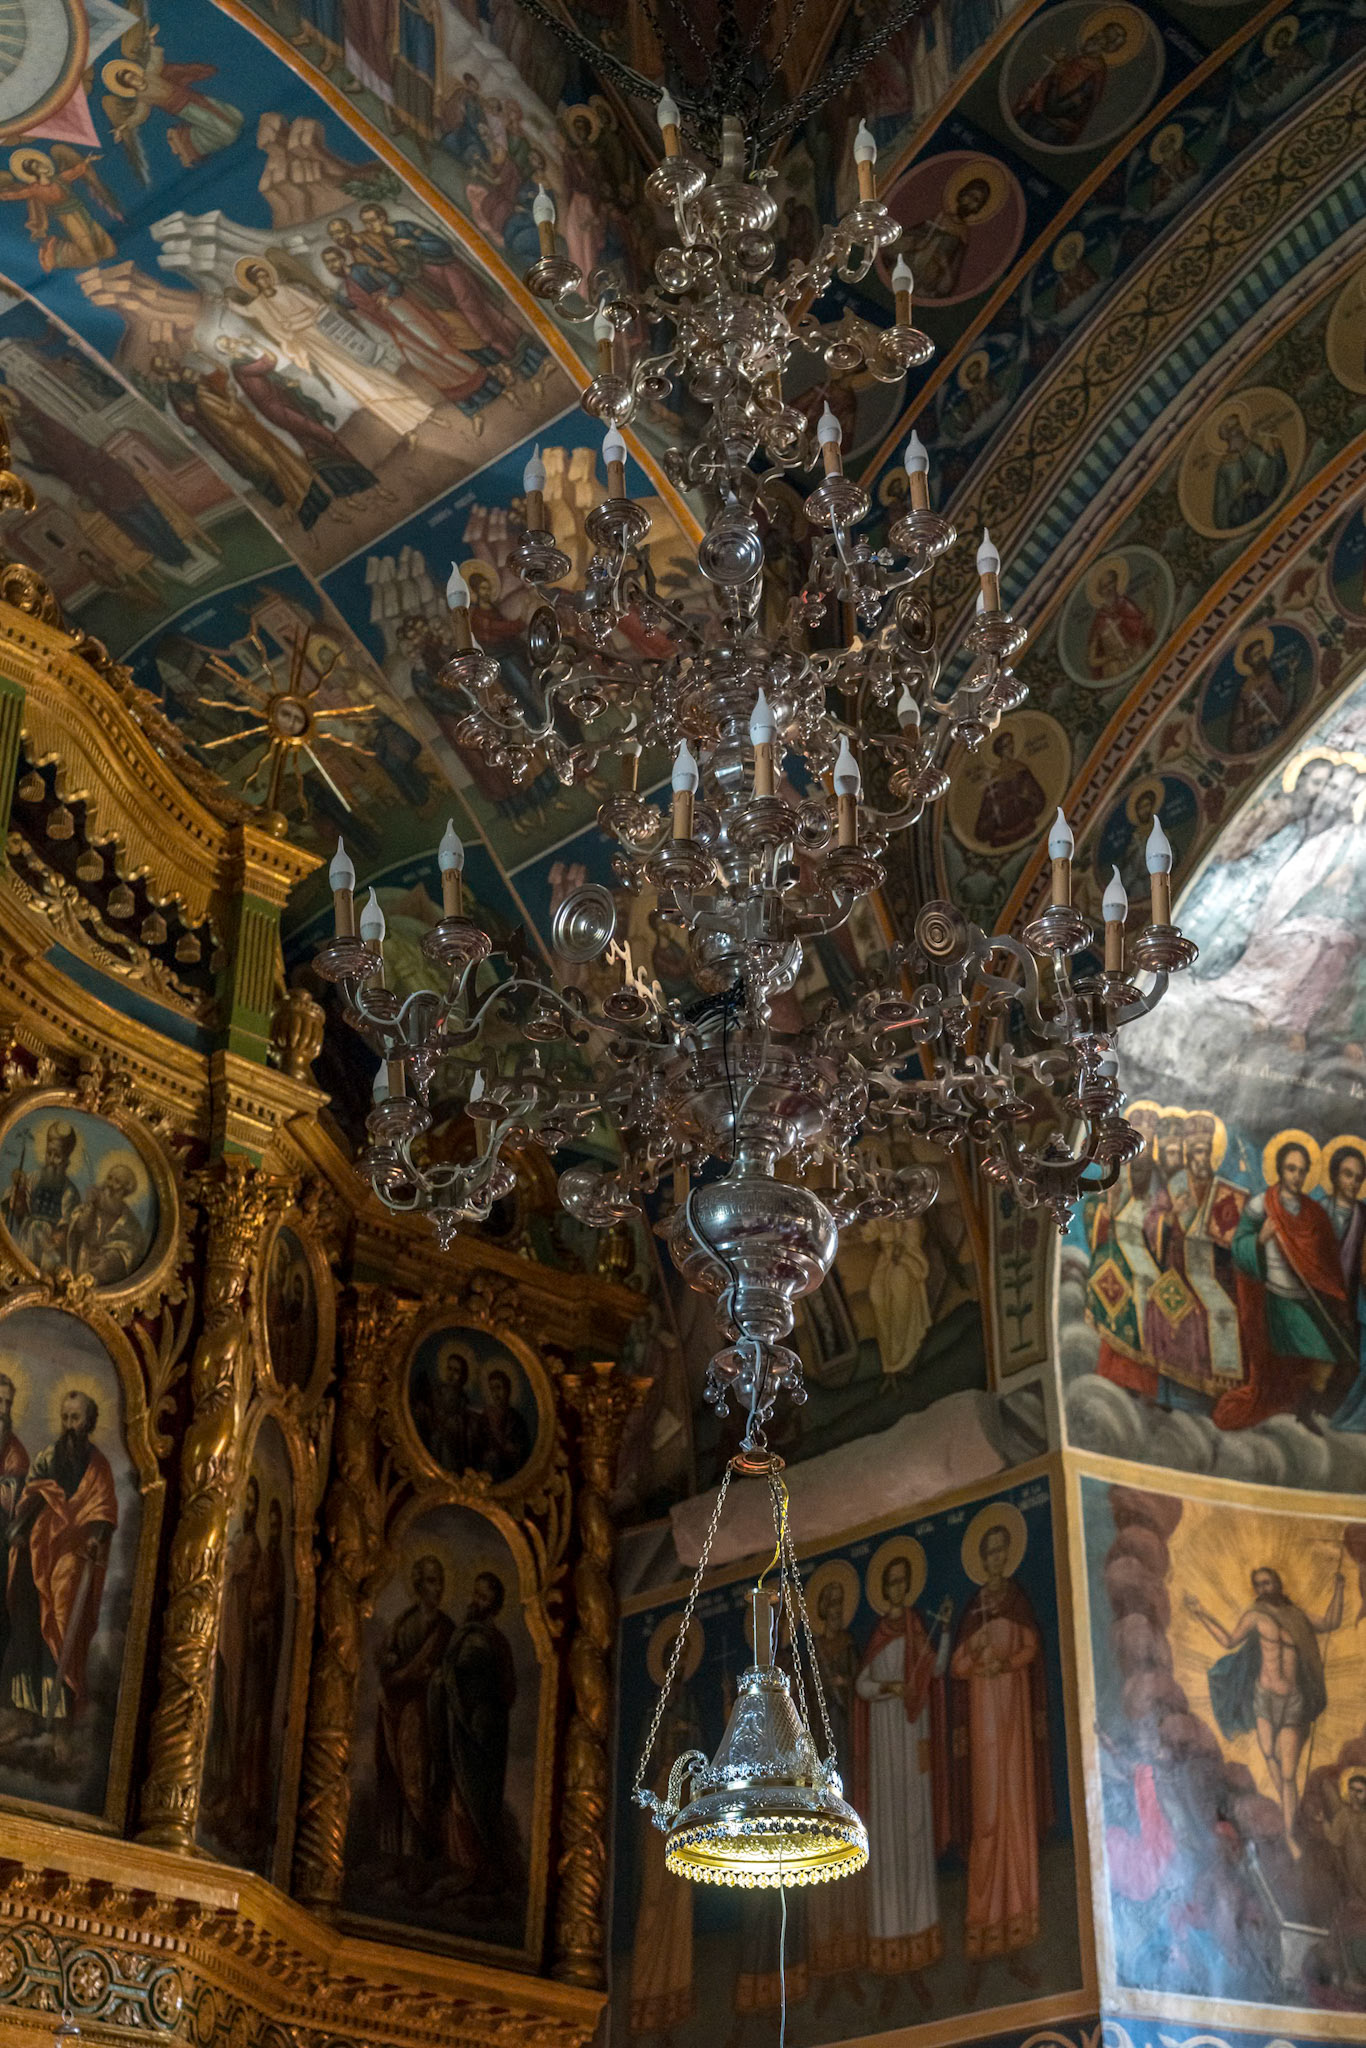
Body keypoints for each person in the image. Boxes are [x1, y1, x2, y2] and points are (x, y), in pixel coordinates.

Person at [949, 1526, 1052, 1999]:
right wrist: (980, 1665)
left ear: (1006, 1553)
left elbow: (1031, 1649)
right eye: (986, 1551)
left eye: (999, 1550)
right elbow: (956, 1667)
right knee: (988, 1821)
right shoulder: (974, 1607)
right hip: (984, 1721)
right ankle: (983, 1928)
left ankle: (1018, 1934)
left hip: (1012, 1717)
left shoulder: (1017, 1600)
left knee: (1016, 1815)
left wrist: (1005, 1666)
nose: (993, 1557)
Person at [854, 1553, 950, 2011]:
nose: (895, 1589)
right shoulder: (881, 1633)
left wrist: (945, 1631)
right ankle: (891, 1956)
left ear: (907, 1585)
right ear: (883, 1588)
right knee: (887, 1842)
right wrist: (892, 1690)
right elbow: (863, 1685)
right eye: (889, 1582)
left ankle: (919, 1950)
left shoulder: (917, 1627)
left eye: (901, 1581)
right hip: (884, 1743)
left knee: (914, 1834)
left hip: (913, 1738)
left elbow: (936, 1669)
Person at [1184, 1563, 1344, 1837]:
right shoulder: (1255, 1617)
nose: (1263, 1589)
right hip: (1263, 1698)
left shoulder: (1297, 1616)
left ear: (1278, 1584)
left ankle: (1292, 1832)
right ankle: (1289, 1815)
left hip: (1293, 1700)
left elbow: (1331, 1622)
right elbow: (1229, 1641)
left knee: (1289, 1773)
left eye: (1267, 1583)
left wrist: (1339, 1588)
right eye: (1258, 1584)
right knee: (1270, 1754)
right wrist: (1201, 1614)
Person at [1219, 1141, 1355, 1429]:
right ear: (1279, 1168)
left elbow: (1324, 1259)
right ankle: (1288, 1411)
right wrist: (1260, 1239)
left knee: (1326, 1357)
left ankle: (1303, 1412)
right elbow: (1239, 1246)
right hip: (1273, 1299)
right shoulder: (1261, 1205)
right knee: (1279, 1363)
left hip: (1303, 1298)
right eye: (1291, 1169)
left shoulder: (1313, 1213)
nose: (1296, 1175)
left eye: (1302, 1171)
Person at [2, 1389, 118, 1724]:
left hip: (73, 1553)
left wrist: (96, 1537)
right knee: (25, 1609)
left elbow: (104, 1512)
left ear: (89, 1422)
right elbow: (32, 1493)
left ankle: (58, 1704)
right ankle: (24, 1702)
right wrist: (21, 1528)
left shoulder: (99, 1467)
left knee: (62, 1611)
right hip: (39, 1545)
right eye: (65, 1418)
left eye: (75, 1418)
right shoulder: (49, 1456)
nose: (69, 1425)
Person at [428, 1569, 518, 1891]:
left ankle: (474, 1867)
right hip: (460, 1726)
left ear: (493, 1605)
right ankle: (456, 1862)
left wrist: (459, 1688)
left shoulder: (492, 1641)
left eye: (483, 1597)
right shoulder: (465, 1633)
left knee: (473, 1796)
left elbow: (502, 1690)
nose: (475, 1601)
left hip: (480, 1732)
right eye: (475, 1594)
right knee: (455, 1792)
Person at [809, 1578, 867, 2006]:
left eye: (836, 1600)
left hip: (843, 1751)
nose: (831, 1607)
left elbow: (858, 1694)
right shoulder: (805, 1657)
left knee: (846, 1855)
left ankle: (850, 1967)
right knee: (816, 1860)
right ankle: (825, 1972)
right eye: (826, 1601)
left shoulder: (849, 1646)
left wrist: (843, 1690)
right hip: (812, 1762)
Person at [375, 1555, 454, 1861]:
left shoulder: (446, 1628)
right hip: (395, 1708)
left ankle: (416, 1854)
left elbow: (451, 1676)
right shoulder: (403, 1622)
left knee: (418, 1781)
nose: (438, 1588)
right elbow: (385, 1661)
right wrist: (395, 1670)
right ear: (419, 1585)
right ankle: (392, 1853)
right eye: (432, 1581)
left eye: (441, 1581)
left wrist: (435, 1679)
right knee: (394, 1778)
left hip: (425, 1713)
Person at [1011, 21, 1128, 149]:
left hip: (1050, 130)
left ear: (1104, 47)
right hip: (1036, 118)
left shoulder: (1093, 79)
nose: (1088, 41)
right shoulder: (1076, 62)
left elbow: (1054, 109)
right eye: (1092, 37)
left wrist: (1056, 77)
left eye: (1096, 40)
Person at [1323, 1145, 1366, 1430]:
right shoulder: (1319, 1210)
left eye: (1358, 1178)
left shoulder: (1364, 1214)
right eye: (1347, 1175)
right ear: (1335, 1175)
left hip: (1352, 1295)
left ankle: (1334, 1409)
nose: (1352, 1183)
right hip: (1319, 1293)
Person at [3, 1123, 81, 1274]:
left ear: (66, 1160)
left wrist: (60, 1235)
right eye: (49, 1153)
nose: (51, 1160)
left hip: (50, 1247)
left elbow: (69, 1223)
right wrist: (18, 1190)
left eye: (57, 1156)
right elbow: (17, 1208)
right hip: (26, 1238)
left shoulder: (69, 1191)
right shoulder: (33, 1178)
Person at [901, 174, 993, 301]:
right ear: (962, 195)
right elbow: (909, 237)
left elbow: (954, 268)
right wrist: (918, 243)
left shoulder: (963, 233)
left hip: (930, 280)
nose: (970, 202)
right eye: (970, 196)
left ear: (978, 207)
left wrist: (944, 265)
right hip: (911, 264)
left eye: (976, 201)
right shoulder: (940, 217)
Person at [67, 1163, 149, 1286]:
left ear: (126, 1189)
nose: (109, 1184)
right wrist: (90, 1205)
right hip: (82, 1261)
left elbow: (132, 1252)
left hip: (107, 1277)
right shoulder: (93, 1206)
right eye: (109, 1178)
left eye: (116, 1181)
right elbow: (79, 1227)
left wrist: (109, 1259)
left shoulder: (130, 1221)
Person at [971, 728, 1047, 848]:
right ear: (1000, 750)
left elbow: (1039, 799)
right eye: (1007, 745)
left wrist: (1027, 797)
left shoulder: (1021, 770)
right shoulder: (993, 781)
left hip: (1026, 827)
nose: (1011, 748)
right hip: (1001, 837)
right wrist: (993, 816)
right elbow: (984, 820)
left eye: (1012, 743)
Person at [1211, 413, 1288, 532]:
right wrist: (1240, 492)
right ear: (1229, 434)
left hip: (1272, 506)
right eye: (1235, 427)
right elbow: (1220, 510)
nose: (1240, 429)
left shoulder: (1253, 448)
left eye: (1239, 425)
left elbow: (1278, 472)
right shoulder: (1225, 468)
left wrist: (1277, 446)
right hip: (1246, 517)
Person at [1085, 563, 1155, 679]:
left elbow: (1147, 626)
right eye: (1104, 586)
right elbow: (1092, 661)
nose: (1108, 589)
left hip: (1140, 656)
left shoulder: (1127, 605)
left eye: (1111, 583)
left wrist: (1150, 601)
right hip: (1116, 669)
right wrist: (1113, 656)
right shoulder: (1099, 621)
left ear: (1116, 583)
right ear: (1100, 592)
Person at [479, 1369, 530, 1482]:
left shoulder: (516, 1419)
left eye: (499, 1388)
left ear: (507, 1390)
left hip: (509, 1469)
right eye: (492, 1389)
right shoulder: (486, 1415)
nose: (496, 1393)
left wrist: (511, 1449)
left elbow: (522, 1449)